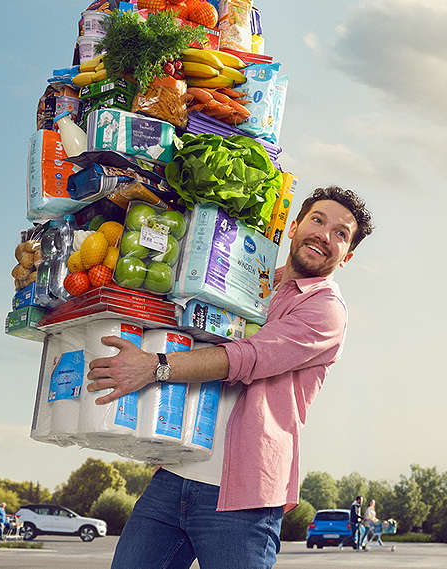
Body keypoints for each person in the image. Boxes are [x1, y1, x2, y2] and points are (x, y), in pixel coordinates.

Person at [86, 187, 374, 569]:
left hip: (243, 495)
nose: (325, 234)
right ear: (294, 226)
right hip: (175, 474)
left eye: (341, 233)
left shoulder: (325, 310)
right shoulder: (250, 282)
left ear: (347, 255)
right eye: (318, 220)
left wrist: (155, 366)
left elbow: (246, 357)